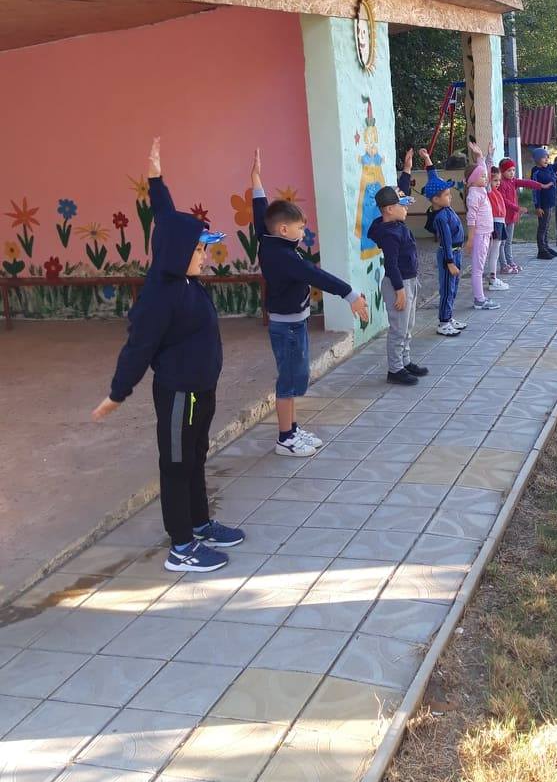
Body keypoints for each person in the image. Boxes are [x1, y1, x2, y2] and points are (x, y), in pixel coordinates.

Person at [92, 138, 241, 573]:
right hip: (178, 395)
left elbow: (166, 219)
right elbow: (137, 347)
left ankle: (200, 523)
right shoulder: (159, 295)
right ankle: (181, 546)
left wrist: (156, 178)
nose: (204, 255)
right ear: (177, 252)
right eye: (198, 249)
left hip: (201, 390)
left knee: (195, 458)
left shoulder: (183, 276)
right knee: (176, 465)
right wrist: (118, 393)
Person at [251, 149, 369, 455]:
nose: (304, 232)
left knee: (295, 378)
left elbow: (260, 211)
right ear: (284, 229)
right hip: (288, 328)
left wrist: (256, 179)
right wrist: (351, 295)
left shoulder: (267, 238)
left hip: (292, 324)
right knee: (289, 382)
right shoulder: (285, 257)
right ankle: (285, 438)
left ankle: (291, 429)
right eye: (300, 228)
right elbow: (319, 277)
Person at [367, 157, 427, 386]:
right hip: (397, 284)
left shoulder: (395, 223)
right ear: (390, 209)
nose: (407, 207)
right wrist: (400, 290)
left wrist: (407, 169)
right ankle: (395, 369)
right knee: (398, 328)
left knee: (407, 326)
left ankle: (405, 361)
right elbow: (391, 265)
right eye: (403, 205)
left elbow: (401, 191)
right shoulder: (390, 234)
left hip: (408, 281)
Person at [423, 158, 467, 336]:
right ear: (435, 199)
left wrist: (427, 160)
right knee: (447, 289)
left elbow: (433, 177)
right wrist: (450, 262)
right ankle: (443, 322)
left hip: (456, 253)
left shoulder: (444, 207)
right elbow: (446, 241)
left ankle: (449, 317)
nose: (450, 197)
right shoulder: (440, 217)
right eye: (447, 195)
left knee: (453, 287)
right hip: (449, 256)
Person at [465, 142, 499, 311]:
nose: (486, 179)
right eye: (483, 177)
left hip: (485, 234)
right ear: (473, 179)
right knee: (478, 269)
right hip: (479, 235)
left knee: (480, 266)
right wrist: (470, 239)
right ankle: (479, 299)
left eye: (486, 177)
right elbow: (471, 219)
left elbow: (484, 170)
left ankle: (481, 298)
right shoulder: (474, 195)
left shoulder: (481, 190)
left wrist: (483, 156)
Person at [497, 157, 539, 274]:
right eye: (509, 170)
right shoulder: (501, 184)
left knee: (508, 242)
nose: (512, 173)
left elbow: (526, 182)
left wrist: (540, 186)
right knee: (502, 243)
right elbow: (504, 201)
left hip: (511, 217)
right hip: (502, 218)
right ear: (502, 171)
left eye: (513, 170)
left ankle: (510, 262)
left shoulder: (513, 181)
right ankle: (503, 265)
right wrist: (518, 208)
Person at [485, 154, 510, 292]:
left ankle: (492, 277)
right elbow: (487, 172)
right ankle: (492, 278)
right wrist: (489, 157)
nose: (498, 182)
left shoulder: (496, 192)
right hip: (494, 223)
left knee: (495, 252)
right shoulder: (489, 191)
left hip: (500, 223)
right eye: (495, 180)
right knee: (493, 252)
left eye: (499, 180)